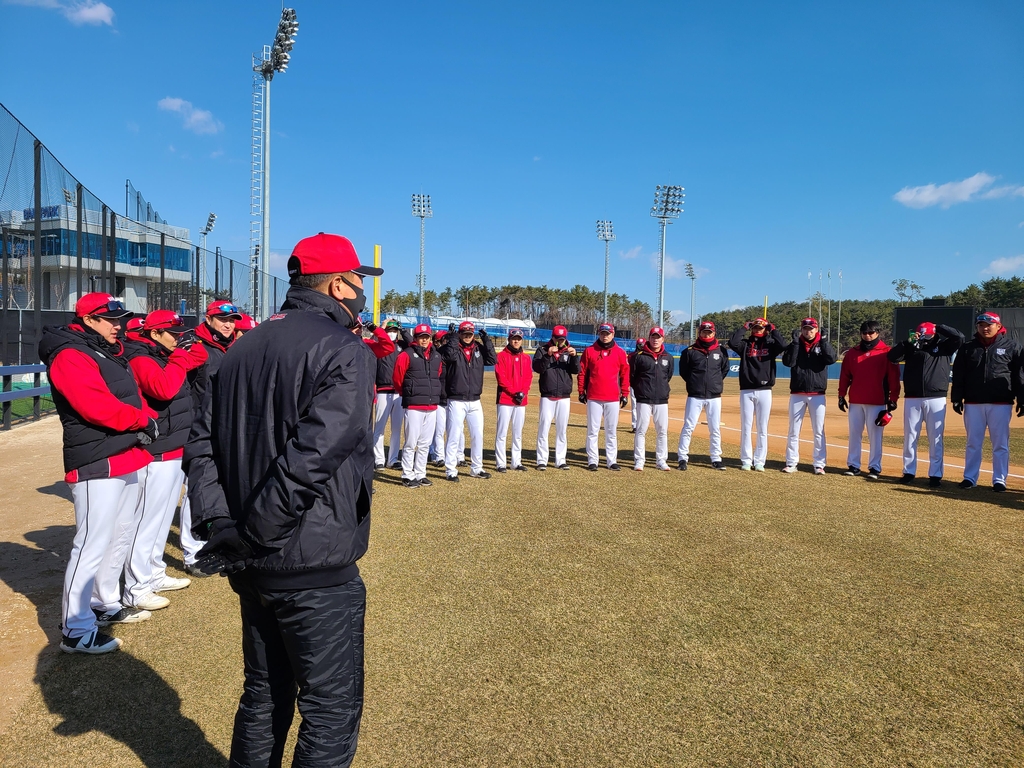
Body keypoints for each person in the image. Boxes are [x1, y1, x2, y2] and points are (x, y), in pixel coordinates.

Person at [185, 232, 381, 766]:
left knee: (264, 695)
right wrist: (251, 533)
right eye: (358, 280)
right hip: (308, 562)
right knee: (329, 709)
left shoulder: (238, 346)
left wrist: (220, 525)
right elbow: (313, 457)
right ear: (338, 283)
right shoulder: (343, 348)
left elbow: (200, 446)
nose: (361, 290)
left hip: (254, 562)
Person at [39, 293, 157, 654]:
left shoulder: (103, 349)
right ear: (88, 320)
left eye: (120, 318)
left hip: (124, 454)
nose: (117, 324)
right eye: (109, 318)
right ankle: (75, 629)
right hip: (95, 458)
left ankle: (104, 604)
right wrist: (142, 420)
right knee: (90, 544)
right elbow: (95, 406)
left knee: (119, 536)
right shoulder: (70, 353)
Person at [121, 310, 207, 610]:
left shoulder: (161, 352)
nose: (179, 336)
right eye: (173, 332)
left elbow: (199, 357)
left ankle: (154, 572)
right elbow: (163, 388)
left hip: (173, 446)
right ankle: (137, 586)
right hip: (155, 450)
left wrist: (184, 348)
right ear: (154, 333)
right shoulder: (141, 356)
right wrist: (178, 358)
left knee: (159, 520)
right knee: (147, 521)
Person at [951, 312, 1024, 491]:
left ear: (998, 326)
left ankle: (999, 480)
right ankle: (970, 477)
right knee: (973, 442)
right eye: (981, 325)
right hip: (973, 402)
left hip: (1001, 402)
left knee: (1000, 444)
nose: (985, 328)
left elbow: (1019, 375)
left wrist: (1022, 399)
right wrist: (956, 398)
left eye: (989, 324)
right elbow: (959, 374)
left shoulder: (1012, 346)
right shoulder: (968, 347)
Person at [888, 321, 964, 486]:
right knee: (910, 436)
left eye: (928, 335)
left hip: (936, 397)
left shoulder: (944, 346)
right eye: (922, 335)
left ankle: (935, 475)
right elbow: (892, 357)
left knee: (935, 437)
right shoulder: (911, 346)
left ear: (934, 334)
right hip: (912, 397)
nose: (925, 339)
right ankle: (909, 471)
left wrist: (941, 327)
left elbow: (959, 337)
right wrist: (906, 343)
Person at [837, 320, 901, 479]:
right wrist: (841, 394)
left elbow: (894, 377)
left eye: (871, 332)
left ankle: (874, 467)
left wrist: (893, 398)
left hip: (877, 401)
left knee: (875, 436)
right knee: (854, 434)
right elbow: (845, 375)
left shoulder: (887, 352)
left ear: (878, 333)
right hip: (856, 401)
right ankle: (853, 465)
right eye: (864, 332)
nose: (867, 335)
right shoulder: (852, 353)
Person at [439, 321, 497, 481]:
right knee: (454, 435)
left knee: (478, 435)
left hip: (475, 399)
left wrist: (486, 340)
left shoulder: (478, 348)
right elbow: (447, 356)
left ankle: (477, 468)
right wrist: (452, 337)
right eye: (464, 333)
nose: (467, 336)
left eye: (470, 333)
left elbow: (492, 360)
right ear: (459, 333)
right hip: (456, 399)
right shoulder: (453, 348)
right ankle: (451, 469)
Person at [729, 317, 787, 471]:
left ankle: (760, 460)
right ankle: (746, 460)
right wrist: (744, 327)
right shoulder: (745, 345)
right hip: (746, 389)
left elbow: (783, 345)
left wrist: (773, 330)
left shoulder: (771, 344)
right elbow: (733, 343)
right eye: (755, 327)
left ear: (765, 329)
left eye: (760, 328)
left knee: (762, 427)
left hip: (765, 390)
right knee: (746, 426)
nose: (757, 330)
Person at [780, 318, 837, 474]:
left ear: (816, 329)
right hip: (797, 393)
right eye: (805, 328)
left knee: (818, 430)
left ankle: (819, 464)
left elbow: (832, 359)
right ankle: (791, 463)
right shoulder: (796, 344)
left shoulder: (821, 344)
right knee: (793, 430)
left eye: (811, 328)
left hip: (817, 393)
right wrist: (795, 344)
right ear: (801, 329)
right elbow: (788, 362)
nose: (808, 331)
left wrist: (824, 342)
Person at [392, 324, 443, 488]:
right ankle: (407, 474)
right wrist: (408, 393)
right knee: (410, 442)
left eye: (427, 336)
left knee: (425, 443)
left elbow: (438, 374)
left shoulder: (436, 356)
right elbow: (397, 377)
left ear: (430, 337)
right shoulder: (406, 354)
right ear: (415, 337)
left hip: (431, 405)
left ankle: (420, 473)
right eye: (421, 336)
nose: (424, 339)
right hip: (413, 404)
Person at [677, 320, 730, 470]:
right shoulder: (689, 351)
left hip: (714, 396)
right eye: (704, 332)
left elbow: (724, 370)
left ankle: (716, 458)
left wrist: (715, 383)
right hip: (695, 395)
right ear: (699, 333)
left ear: (714, 333)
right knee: (688, 426)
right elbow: (684, 372)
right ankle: (682, 457)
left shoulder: (721, 351)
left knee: (714, 428)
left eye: (709, 332)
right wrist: (695, 383)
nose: (707, 334)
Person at [578, 323, 630, 471]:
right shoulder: (589, 351)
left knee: (611, 431)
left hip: (613, 397)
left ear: (613, 334)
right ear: (599, 334)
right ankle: (592, 460)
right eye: (602, 333)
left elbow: (624, 374)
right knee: (593, 431)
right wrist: (581, 391)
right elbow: (582, 373)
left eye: (608, 333)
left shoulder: (620, 353)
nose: (605, 336)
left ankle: (611, 460)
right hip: (594, 396)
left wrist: (625, 394)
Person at [533, 324, 578, 470]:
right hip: (547, 395)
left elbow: (577, 370)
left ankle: (560, 459)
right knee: (544, 428)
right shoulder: (542, 350)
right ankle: (542, 460)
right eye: (557, 338)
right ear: (552, 337)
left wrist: (575, 357)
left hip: (564, 396)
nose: (559, 341)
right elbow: (538, 368)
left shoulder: (569, 351)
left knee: (561, 430)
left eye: (562, 339)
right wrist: (548, 355)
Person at [629, 328, 673, 471]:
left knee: (662, 431)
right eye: (653, 337)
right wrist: (641, 390)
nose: (655, 339)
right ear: (649, 338)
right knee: (641, 430)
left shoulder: (668, 357)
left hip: (661, 399)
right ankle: (639, 460)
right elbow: (632, 377)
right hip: (644, 398)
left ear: (662, 339)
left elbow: (668, 376)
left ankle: (661, 460)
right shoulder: (639, 356)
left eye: (658, 337)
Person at [494, 328, 534, 472]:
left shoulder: (526, 358)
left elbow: (529, 377)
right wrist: (514, 392)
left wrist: (523, 392)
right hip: (505, 399)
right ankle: (501, 463)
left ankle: (516, 462)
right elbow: (501, 378)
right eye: (513, 338)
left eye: (518, 338)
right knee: (502, 432)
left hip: (520, 400)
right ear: (509, 339)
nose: (516, 341)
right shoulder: (502, 356)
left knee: (517, 433)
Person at [371, 319, 408, 470]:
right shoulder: (378, 345)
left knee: (396, 428)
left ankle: (392, 459)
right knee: (379, 427)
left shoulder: (402, 346)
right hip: (382, 390)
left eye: (394, 331)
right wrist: (382, 327)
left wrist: (403, 329)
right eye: (389, 331)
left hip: (398, 392)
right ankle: (378, 459)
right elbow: (375, 337)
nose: (392, 334)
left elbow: (413, 342)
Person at [428, 330, 465, 467]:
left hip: (452, 397)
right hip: (439, 398)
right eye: (442, 339)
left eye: (447, 339)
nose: (445, 341)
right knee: (438, 430)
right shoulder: (435, 355)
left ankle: (459, 455)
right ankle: (439, 456)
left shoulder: (454, 356)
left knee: (457, 429)